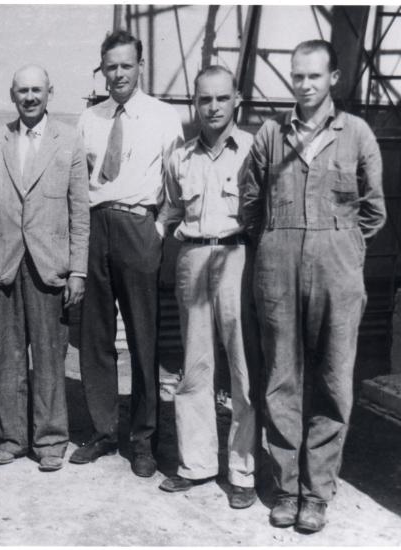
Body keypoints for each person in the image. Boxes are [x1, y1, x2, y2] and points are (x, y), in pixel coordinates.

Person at [240, 40, 386, 532]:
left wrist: (337, 246)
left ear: (333, 79)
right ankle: (284, 489)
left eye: (314, 77)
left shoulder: (358, 134)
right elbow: (249, 202)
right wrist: (278, 243)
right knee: (281, 379)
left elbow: (374, 210)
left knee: (331, 381)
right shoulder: (270, 135)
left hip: (337, 274)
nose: (304, 85)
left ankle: (317, 494)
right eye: (297, 76)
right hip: (277, 270)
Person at [70, 29, 184, 478]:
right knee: (95, 337)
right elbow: (80, 184)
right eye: (110, 66)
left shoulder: (162, 116)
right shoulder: (90, 118)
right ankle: (101, 431)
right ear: (103, 69)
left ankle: (143, 438)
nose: (118, 74)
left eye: (126, 65)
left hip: (140, 226)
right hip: (97, 225)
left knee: (143, 338)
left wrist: (156, 229)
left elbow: (175, 183)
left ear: (141, 67)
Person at [0, 65, 89, 472]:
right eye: (23, 91)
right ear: (12, 95)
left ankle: (51, 440)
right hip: (5, 262)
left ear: (50, 93)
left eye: (37, 90)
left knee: (50, 356)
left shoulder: (69, 140)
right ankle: (12, 437)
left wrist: (78, 271)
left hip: (49, 264)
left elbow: (79, 213)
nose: (30, 97)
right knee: (7, 356)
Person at [157, 66, 259, 508]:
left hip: (238, 257)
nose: (213, 108)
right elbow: (171, 212)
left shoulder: (255, 151)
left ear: (236, 99)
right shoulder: (180, 157)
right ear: (193, 104)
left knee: (242, 368)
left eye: (221, 98)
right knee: (195, 366)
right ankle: (196, 464)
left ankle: (242, 471)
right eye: (204, 100)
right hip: (194, 258)